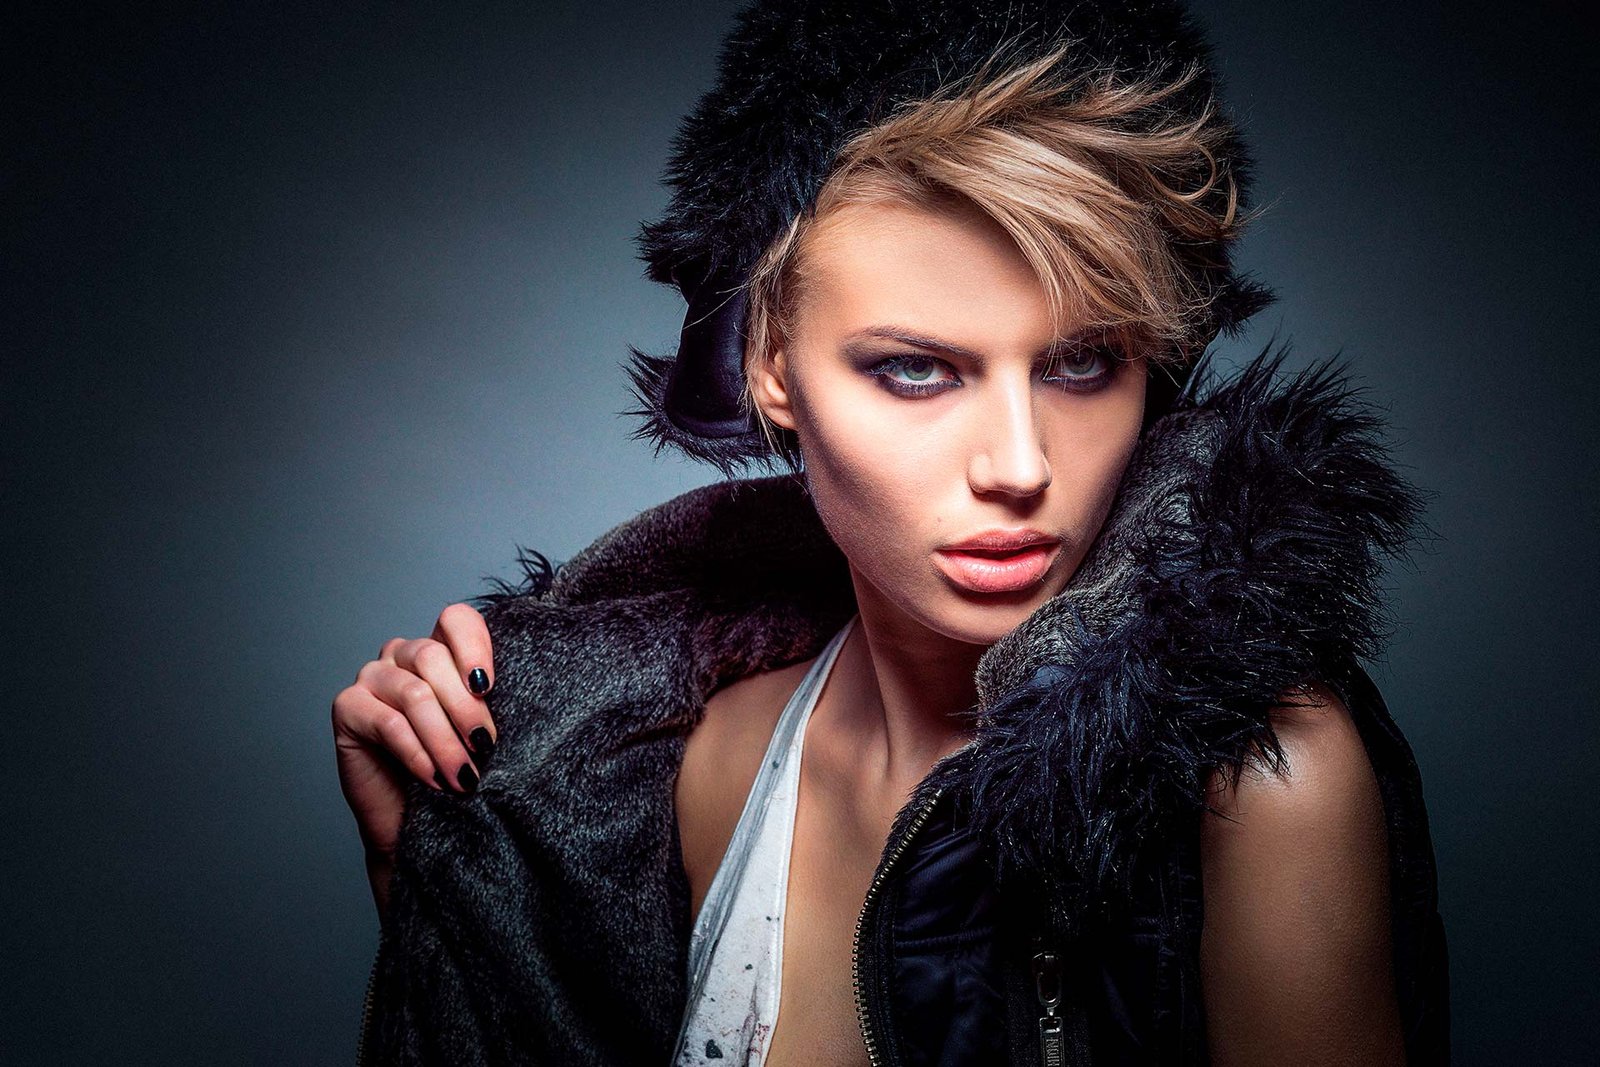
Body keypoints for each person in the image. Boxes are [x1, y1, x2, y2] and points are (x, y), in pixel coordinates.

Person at [333, 2, 1451, 1063]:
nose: (1019, 466)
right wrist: (451, 883)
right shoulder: (681, 761)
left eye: (1081, 362)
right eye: (916, 370)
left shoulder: (1263, 780)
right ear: (771, 366)